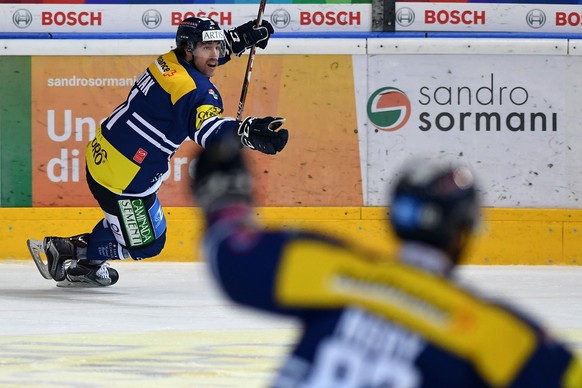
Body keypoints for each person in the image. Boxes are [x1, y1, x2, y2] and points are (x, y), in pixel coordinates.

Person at [191, 138, 582, 387]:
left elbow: (230, 254)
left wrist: (225, 195)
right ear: (463, 233)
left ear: (393, 218)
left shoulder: (331, 270)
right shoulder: (493, 331)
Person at [33, 16, 289, 287]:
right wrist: (245, 132)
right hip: (125, 181)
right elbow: (208, 130)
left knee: (128, 224)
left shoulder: (167, 61)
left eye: (217, 47)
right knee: (149, 245)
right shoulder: (198, 92)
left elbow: (203, 60)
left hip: (102, 152)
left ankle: (86, 264)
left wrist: (238, 39)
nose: (215, 55)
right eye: (207, 48)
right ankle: (71, 251)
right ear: (189, 49)